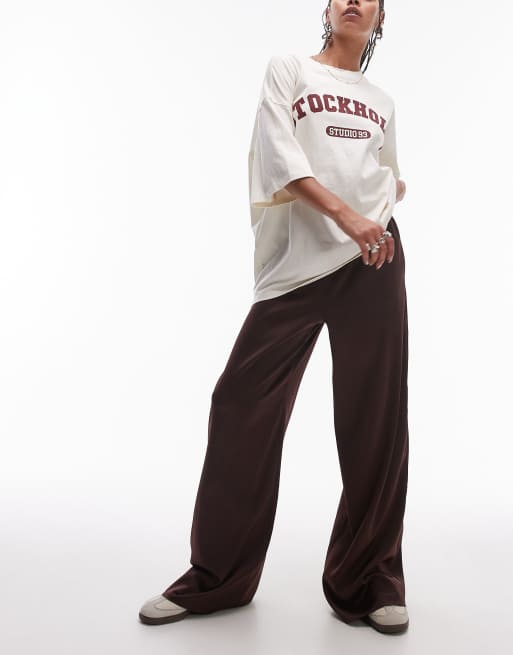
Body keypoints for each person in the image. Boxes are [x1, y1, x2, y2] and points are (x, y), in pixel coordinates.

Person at [139, 0, 410, 635]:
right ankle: (218, 576)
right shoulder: (289, 69)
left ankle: (371, 578)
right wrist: (347, 213)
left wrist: (379, 204)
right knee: (241, 404)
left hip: (373, 258)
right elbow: (278, 155)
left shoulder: (382, 100)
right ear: (327, 9)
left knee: (375, 418)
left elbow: (392, 176)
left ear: (380, 18)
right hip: (299, 263)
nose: (353, 0)